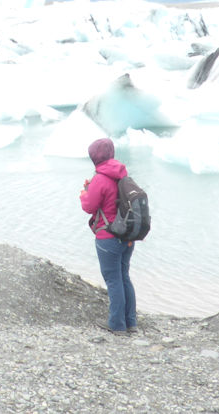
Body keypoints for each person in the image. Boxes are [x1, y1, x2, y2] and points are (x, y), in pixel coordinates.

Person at [79, 137, 136, 333]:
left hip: (107, 237)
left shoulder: (100, 178)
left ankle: (117, 325)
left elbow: (89, 206)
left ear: (94, 156)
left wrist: (84, 193)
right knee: (124, 276)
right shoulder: (122, 175)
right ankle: (131, 322)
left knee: (113, 280)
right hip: (126, 235)